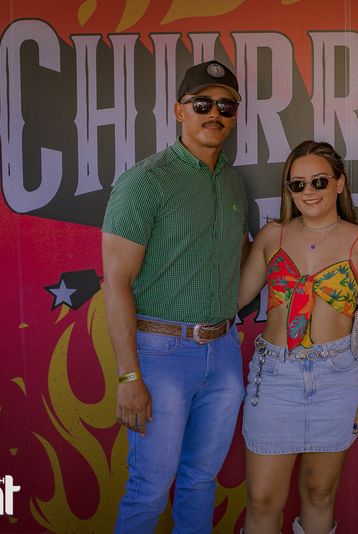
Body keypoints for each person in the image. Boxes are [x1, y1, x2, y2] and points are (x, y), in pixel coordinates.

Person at [101, 60, 248, 533]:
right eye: (202, 104)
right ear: (179, 111)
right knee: (148, 489)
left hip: (223, 354)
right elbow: (116, 282)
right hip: (161, 354)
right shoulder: (146, 181)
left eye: (225, 106)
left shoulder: (233, 182)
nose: (214, 113)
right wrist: (129, 375)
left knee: (200, 483)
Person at [237, 141, 358, 534]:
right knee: (262, 499)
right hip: (275, 378)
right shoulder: (272, 236)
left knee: (320, 494)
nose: (308, 191)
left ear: (339, 183)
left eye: (319, 181)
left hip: (337, 378)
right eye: (298, 184)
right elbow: (235, 298)